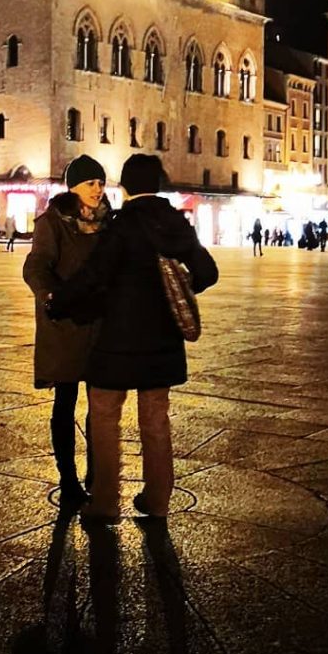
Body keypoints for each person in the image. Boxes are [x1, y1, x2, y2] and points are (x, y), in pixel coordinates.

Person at [48, 153, 218, 522]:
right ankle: (157, 500)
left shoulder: (123, 225)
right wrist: (180, 288)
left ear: (125, 187)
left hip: (118, 343)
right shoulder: (177, 223)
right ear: (158, 185)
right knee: (156, 418)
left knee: (105, 413)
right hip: (164, 343)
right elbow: (208, 271)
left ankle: (106, 501)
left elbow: (94, 275)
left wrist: (58, 301)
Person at [23, 155, 111, 504]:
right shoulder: (53, 222)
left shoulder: (107, 222)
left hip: (100, 325)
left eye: (101, 183)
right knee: (66, 402)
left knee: (100, 405)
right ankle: (68, 478)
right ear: (73, 187)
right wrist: (50, 296)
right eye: (91, 183)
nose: (98, 190)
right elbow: (36, 265)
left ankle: (97, 474)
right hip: (66, 325)